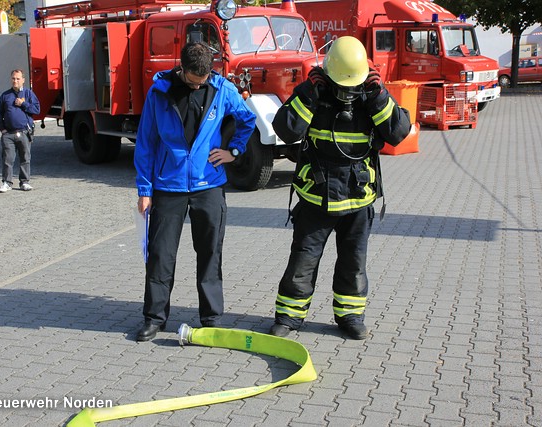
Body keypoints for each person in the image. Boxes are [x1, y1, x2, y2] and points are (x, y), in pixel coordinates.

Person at [268, 36, 411, 340]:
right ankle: (289, 316)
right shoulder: (314, 93)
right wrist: (308, 93)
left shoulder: (371, 95)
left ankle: (350, 316)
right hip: (316, 198)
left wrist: (379, 96)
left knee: (353, 263)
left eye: (353, 84)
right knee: (302, 262)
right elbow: (285, 129)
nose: (347, 91)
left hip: (358, 199)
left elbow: (399, 133)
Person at [134, 42, 256, 341]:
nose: (196, 85)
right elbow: (146, 142)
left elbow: (247, 120)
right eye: (191, 80)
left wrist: (233, 151)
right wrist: (144, 189)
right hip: (168, 185)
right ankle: (154, 318)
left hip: (209, 186)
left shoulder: (222, 89)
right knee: (160, 255)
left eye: (201, 81)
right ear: (182, 67)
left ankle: (211, 317)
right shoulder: (159, 92)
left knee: (210, 253)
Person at [0, 69, 40, 193]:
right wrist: (2, 129)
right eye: (13, 78)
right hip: (8, 133)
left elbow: (36, 110)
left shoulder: (29, 94)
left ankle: (24, 182)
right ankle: (6, 182)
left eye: (18, 78)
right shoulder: (5, 95)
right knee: (8, 158)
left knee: (25, 157)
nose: (15, 81)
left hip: (24, 132)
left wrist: (23, 104)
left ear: (23, 80)